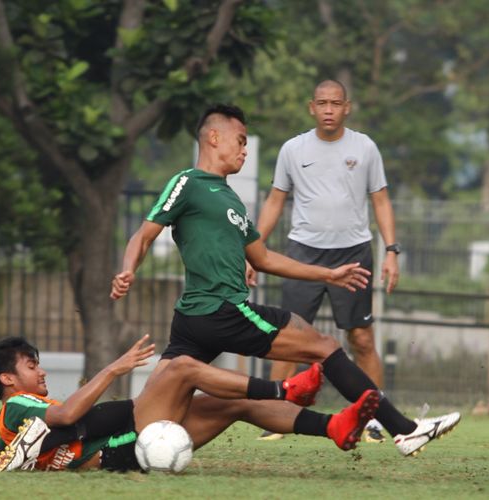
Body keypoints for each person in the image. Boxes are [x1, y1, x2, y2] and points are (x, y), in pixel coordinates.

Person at [110, 103, 459, 457]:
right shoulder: (187, 182)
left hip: (193, 320)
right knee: (325, 347)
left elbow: (262, 258)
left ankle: (114, 450)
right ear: (213, 137)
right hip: (220, 309)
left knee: (152, 411)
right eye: (240, 140)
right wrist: (128, 269)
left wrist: (329, 274)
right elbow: (143, 234)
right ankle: (405, 430)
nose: (245, 150)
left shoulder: (230, 199)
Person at [0, 334, 381, 472]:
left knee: (229, 404)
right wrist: (114, 368)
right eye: (32, 366)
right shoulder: (16, 406)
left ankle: (333, 427)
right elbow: (69, 414)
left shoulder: (32, 406)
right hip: (124, 444)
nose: (41, 372)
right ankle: (283, 390)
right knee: (180, 369)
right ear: (7, 379)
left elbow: (63, 423)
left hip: (128, 438)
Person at [253, 79, 397, 443]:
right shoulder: (292, 149)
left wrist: (392, 252)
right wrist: (252, 250)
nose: (329, 110)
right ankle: (277, 417)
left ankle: (376, 417)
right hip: (303, 254)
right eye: (322, 103)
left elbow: (380, 200)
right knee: (287, 337)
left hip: (354, 253)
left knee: (361, 338)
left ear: (347, 107)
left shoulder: (364, 147)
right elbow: (274, 201)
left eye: (336, 103)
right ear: (311, 107)